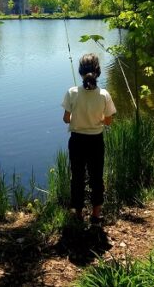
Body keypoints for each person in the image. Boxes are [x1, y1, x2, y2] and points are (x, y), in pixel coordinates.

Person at [61, 53, 116, 224]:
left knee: (77, 176)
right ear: (97, 72)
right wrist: (97, 119)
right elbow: (108, 121)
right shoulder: (104, 94)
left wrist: (77, 118)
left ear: (80, 71)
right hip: (96, 141)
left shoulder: (72, 92)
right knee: (96, 177)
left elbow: (65, 119)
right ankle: (96, 215)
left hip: (77, 141)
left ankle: (78, 214)